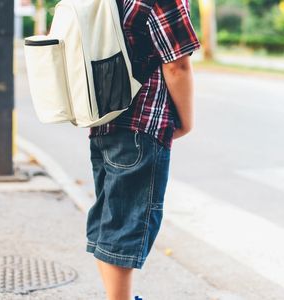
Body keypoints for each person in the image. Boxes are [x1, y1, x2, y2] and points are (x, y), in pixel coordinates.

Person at [85, 0, 200, 298]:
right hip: (142, 124)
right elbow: (177, 64)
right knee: (125, 229)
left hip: (102, 120)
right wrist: (186, 122)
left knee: (110, 223)